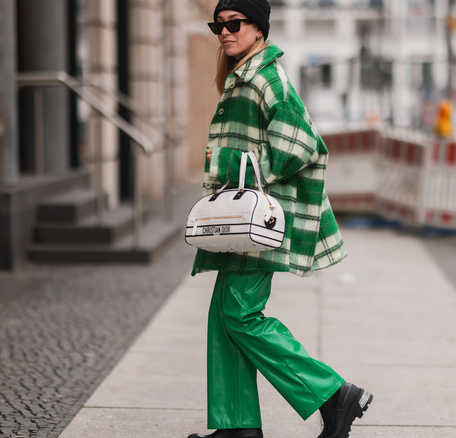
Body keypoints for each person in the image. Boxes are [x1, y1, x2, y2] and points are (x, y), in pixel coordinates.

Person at [188, 1, 373, 437]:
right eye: (218, 24)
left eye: (234, 23)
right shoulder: (242, 76)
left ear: (258, 28)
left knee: (240, 314)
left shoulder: (266, 78)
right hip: (242, 219)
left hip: (257, 220)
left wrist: (231, 163)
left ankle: (333, 394)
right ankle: (237, 427)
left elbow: (302, 142)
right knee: (226, 315)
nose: (224, 32)